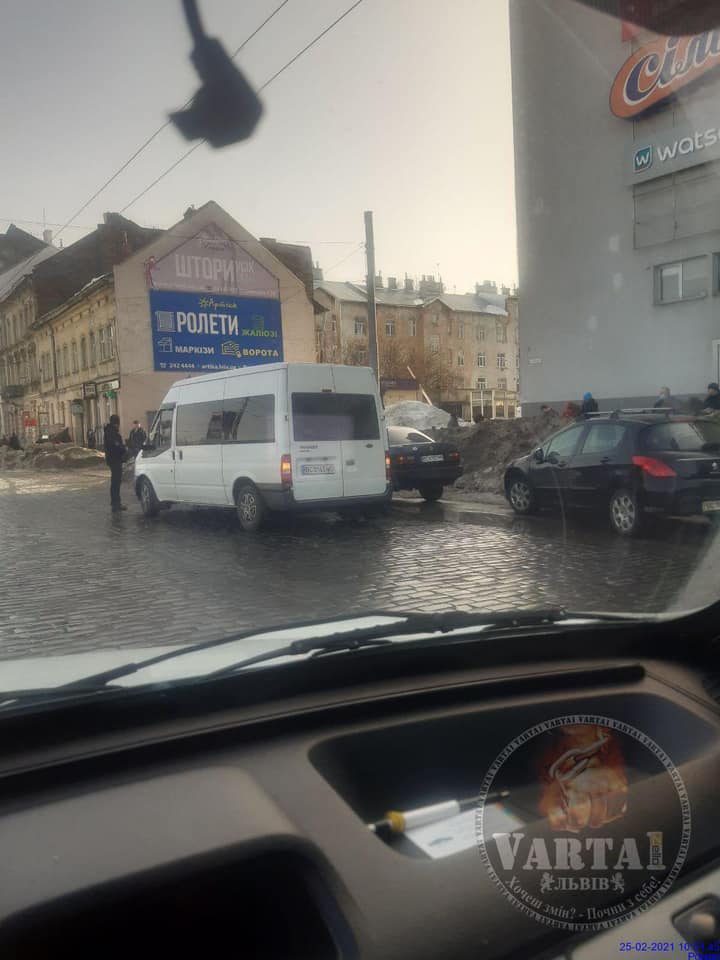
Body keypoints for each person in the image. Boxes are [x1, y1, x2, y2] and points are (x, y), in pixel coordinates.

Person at [104, 415, 127, 512]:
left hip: (113, 459)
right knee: (116, 482)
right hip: (115, 460)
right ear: (116, 423)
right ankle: (116, 504)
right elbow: (115, 445)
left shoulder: (110, 431)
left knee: (115, 482)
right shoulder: (111, 433)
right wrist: (124, 449)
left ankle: (116, 503)